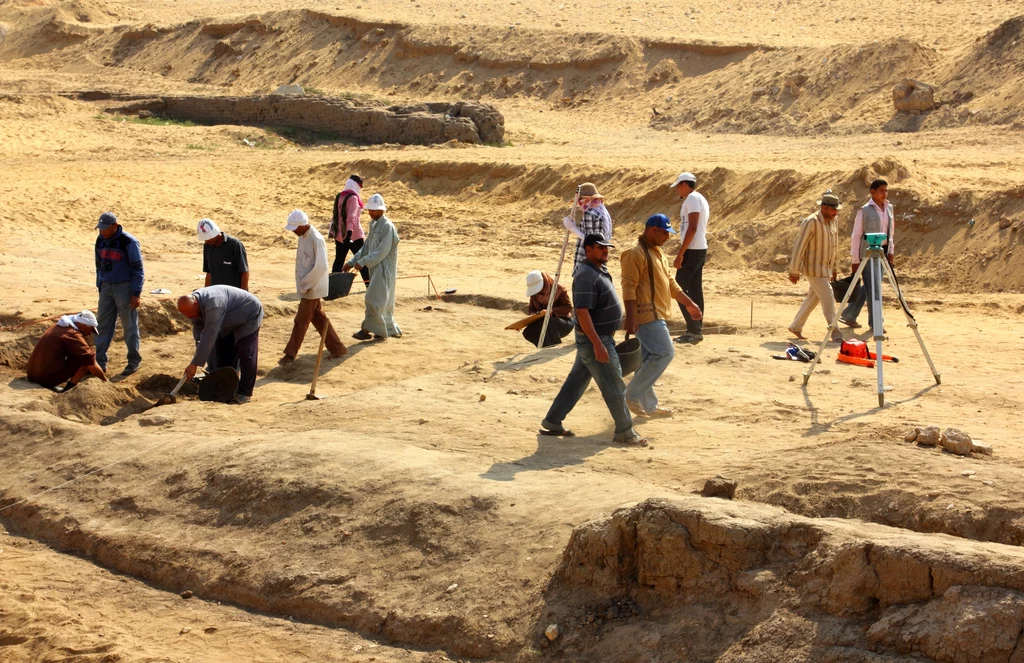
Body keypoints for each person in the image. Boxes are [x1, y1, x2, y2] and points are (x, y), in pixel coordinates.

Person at [540, 233, 647, 447]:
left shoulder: (598, 270)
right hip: (595, 339)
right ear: (588, 250)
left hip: (597, 338)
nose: (605, 250)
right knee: (615, 386)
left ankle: (552, 422)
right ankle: (625, 432)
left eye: (607, 247)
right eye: (600, 247)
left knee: (576, 382)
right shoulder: (586, 275)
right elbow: (581, 312)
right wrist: (598, 343)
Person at [621, 214, 703, 417]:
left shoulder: (657, 253)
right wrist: (631, 318)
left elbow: (670, 284)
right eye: (665, 233)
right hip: (646, 316)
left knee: (649, 359)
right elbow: (628, 287)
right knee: (665, 353)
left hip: (658, 313)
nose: (668, 237)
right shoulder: (634, 253)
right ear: (652, 230)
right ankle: (631, 394)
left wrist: (690, 303)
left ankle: (649, 406)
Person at [280, 209, 347, 364]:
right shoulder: (303, 236)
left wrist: (306, 284)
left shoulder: (315, 239)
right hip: (306, 286)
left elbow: (321, 267)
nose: (294, 231)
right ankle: (338, 348)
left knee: (300, 320)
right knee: (319, 319)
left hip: (312, 287)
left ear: (303, 225)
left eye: (295, 228)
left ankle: (290, 354)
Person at [177, 286, 263, 404]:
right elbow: (199, 334)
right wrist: (199, 358)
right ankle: (228, 387)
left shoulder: (214, 304)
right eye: (184, 314)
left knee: (246, 352)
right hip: (227, 319)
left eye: (188, 314)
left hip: (248, 314)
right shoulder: (192, 308)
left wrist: (194, 364)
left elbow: (209, 335)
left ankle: (245, 393)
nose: (187, 317)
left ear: (196, 304)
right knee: (223, 351)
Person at [787, 192, 844, 343]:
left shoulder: (833, 221)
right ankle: (836, 332)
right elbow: (799, 247)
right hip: (813, 269)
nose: (835, 212)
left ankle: (796, 326)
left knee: (812, 299)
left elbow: (834, 246)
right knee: (828, 297)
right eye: (833, 210)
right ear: (824, 208)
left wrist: (834, 268)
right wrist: (794, 271)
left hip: (825, 269)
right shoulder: (811, 222)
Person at [343, 193, 402, 340]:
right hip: (375, 269)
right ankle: (388, 329)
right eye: (370, 210)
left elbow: (381, 252)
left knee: (373, 299)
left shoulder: (388, 227)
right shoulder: (374, 224)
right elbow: (366, 247)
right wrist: (351, 262)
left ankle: (367, 330)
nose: (371, 212)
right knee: (383, 302)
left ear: (382, 210)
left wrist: (363, 262)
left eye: (374, 210)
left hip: (385, 271)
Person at [94, 211, 144, 376]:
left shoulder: (129, 242)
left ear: (115, 226)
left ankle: (133, 362)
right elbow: (98, 264)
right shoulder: (100, 240)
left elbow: (138, 269)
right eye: (100, 228)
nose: (102, 232)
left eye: (105, 228)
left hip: (125, 288)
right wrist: (100, 284)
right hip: (106, 287)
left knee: (129, 326)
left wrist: (136, 293)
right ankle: (99, 362)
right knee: (102, 325)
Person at [840, 179, 895, 330]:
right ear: (872, 192)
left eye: (886, 190)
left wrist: (890, 251)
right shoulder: (864, 210)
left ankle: (849, 314)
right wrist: (855, 259)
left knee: (872, 286)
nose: (884, 193)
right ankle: (877, 324)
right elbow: (856, 235)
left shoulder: (889, 208)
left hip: (882, 253)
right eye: (881, 190)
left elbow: (890, 233)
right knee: (875, 289)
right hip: (868, 254)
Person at [669, 172, 710, 344]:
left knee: (679, 289)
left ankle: (693, 330)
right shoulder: (698, 198)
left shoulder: (692, 199)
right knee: (694, 289)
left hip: (693, 249)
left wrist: (680, 254)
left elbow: (692, 228)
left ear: (684, 185)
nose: (678, 190)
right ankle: (696, 329)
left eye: (678, 186)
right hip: (698, 248)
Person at [26, 310, 107, 391]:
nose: (90, 334)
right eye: (91, 330)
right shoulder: (72, 334)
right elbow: (91, 363)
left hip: (32, 375)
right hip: (44, 379)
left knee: (82, 353)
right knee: (86, 358)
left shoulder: (59, 326)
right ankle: (68, 389)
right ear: (84, 325)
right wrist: (105, 382)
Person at [562, 182, 613, 275]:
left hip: (586, 263)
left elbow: (591, 241)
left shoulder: (589, 213)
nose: (579, 204)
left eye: (580, 200)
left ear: (586, 199)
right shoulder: (603, 212)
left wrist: (573, 229)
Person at [329, 174, 370, 287]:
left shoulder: (340, 196)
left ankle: (332, 286)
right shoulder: (353, 198)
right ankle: (369, 285)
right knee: (362, 261)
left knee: (338, 261)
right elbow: (351, 217)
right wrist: (349, 233)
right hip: (354, 235)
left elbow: (335, 216)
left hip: (340, 235)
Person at [523, 270, 573, 347]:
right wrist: (533, 314)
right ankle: (543, 348)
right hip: (543, 322)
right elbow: (531, 309)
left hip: (563, 323)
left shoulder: (559, 289)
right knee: (528, 332)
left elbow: (568, 307)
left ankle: (552, 348)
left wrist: (552, 311)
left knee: (547, 319)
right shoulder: (534, 295)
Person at [198, 218, 249, 291]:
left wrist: (243, 295)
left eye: (209, 238)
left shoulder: (235, 245)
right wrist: (205, 293)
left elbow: (244, 272)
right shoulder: (207, 246)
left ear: (216, 233)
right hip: (216, 294)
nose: (206, 241)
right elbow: (209, 273)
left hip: (234, 294)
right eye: (205, 239)